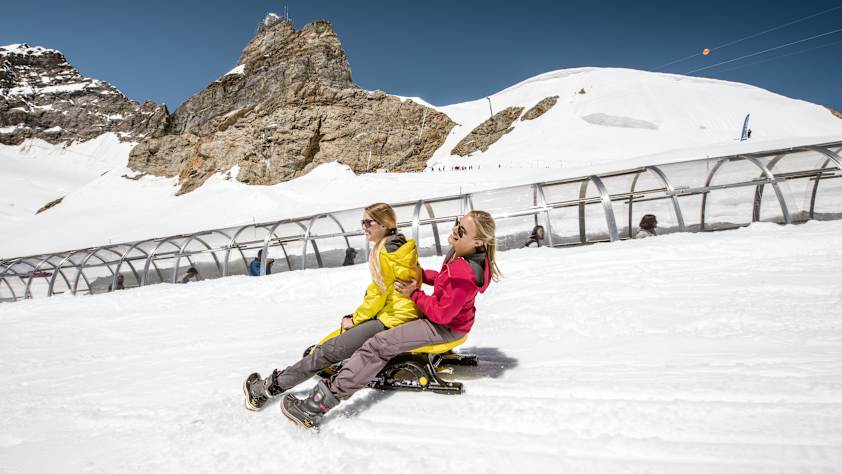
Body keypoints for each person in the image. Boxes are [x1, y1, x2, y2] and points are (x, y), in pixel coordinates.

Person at [281, 210, 501, 428]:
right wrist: (420, 275)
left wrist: (413, 294)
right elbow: (445, 282)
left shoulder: (464, 272)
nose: (454, 229)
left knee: (379, 345)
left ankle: (315, 406)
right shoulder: (464, 256)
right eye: (456, 222)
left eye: (461, 230)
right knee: (384, 334)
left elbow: (442, 313)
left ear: (478, 242)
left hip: (444, 326)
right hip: (453, 321)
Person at [243, 203, 422, 411]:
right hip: (400, 315)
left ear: (384, 224)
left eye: (368, 222)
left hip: (390, 320)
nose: (364, 226)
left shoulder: (385, 252)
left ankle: (264, 390)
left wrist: (354, 320)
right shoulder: (400, 246)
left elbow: (378, 294)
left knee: (325, 353)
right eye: (362, 222)